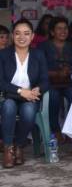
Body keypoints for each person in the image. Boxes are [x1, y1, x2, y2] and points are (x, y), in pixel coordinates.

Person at [0, 19, 49, 168]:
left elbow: (45, 80)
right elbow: (1, 82)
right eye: (18, 33)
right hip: (8, 95)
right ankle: (8, 148)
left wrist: (38, 89)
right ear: (12, 35)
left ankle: (19, 146)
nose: (22, 37)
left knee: (28, 111)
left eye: (26, 33)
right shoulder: (3, 55)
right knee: (8, 106)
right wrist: (21, 91)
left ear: (32, 36)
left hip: (30, 98)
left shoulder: (38, 55)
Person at [39, 17, 72, 138]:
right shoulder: (43, 46)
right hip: (50, 83)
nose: (63, 31)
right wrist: (56, 73)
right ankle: (55, 130)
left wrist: (70, 70)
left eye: (65, 28)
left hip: (68, 82)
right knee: (53, 97)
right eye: (59, 29)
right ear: (52, 32)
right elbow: (39, 69)